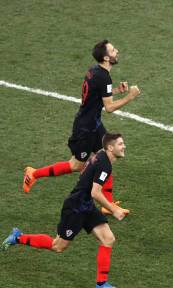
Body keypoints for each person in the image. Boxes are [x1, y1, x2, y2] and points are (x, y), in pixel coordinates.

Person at [22, 40, 139, 216]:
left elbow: (97, 94)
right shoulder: (103, 76)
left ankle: (107, 205)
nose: (117, 52)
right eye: (113, 50)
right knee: (76, 165)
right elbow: (109, 108)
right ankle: (34, 174)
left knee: (108, 156)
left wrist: (116, 91)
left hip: (93, 124)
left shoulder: (95, 71)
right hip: (85, 129)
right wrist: (130, 96)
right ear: (106, 57)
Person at [3, 133, 128, 288]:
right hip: (75, 208)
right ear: (110, 148)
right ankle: (18, 237)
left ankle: (101, 285)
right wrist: (114, 209)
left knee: (108, 239)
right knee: (58, 246)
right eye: (120, 144)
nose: (124, 146)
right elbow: (95, 193)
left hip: (85, 206)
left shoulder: (101, 155)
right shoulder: (105, 164)